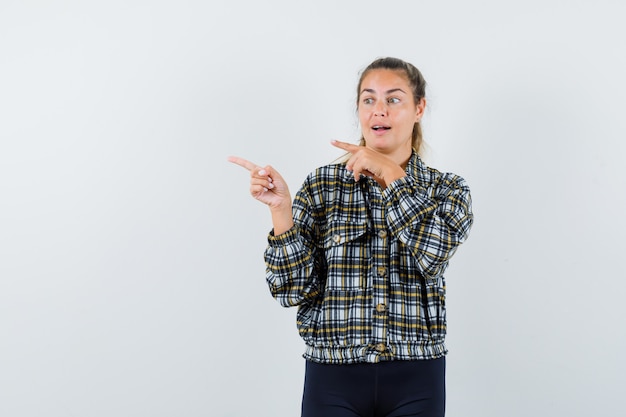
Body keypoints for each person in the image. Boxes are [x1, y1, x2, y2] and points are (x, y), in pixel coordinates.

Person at [228, 57, 473, 417]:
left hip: (417, 376)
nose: (380, 111)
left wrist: (393, 176)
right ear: (358, 109)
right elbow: (292, 290)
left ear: (419, 108)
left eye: (394, 99)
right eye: (369, 99)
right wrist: (281, 210)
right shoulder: (322, 185)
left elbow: (433, 255)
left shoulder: (447, 189)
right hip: (332, 377)